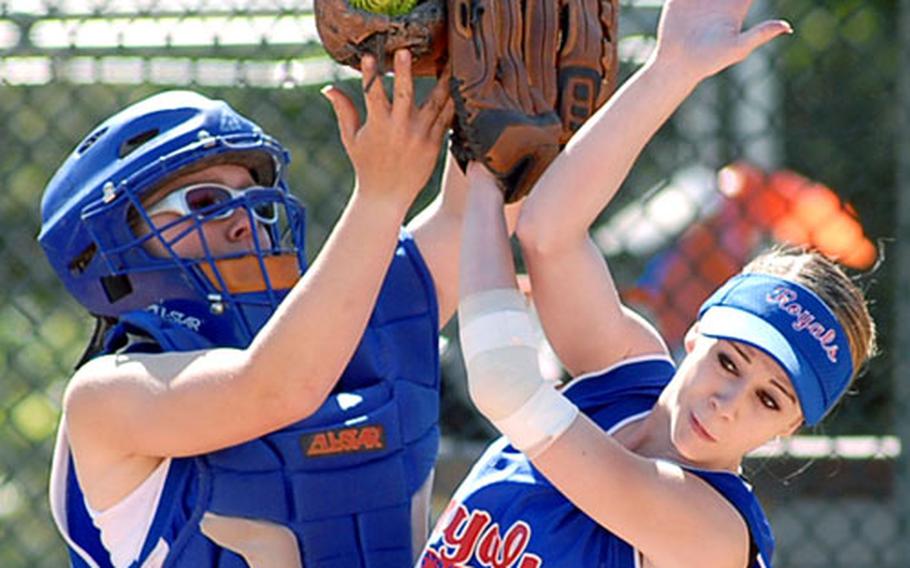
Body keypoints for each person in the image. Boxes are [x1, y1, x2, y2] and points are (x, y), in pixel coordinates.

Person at [418, 1, 877, 567]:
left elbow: (505, 387)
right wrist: (672, 68)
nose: (728, 404)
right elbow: (548, 234)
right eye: (729, 362)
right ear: (696, 333)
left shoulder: (711, 530)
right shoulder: (626, 374)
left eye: (768, 398)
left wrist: (484, 164)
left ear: (789, 427)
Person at [43, 50, 466, 567]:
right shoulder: (105, 396)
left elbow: (475, 218)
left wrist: (489, 94)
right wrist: (381, 196)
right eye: (204, 202)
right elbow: (276, 388)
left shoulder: (348, 323)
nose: (246, 220)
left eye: (256, 200)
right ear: (112, 249)